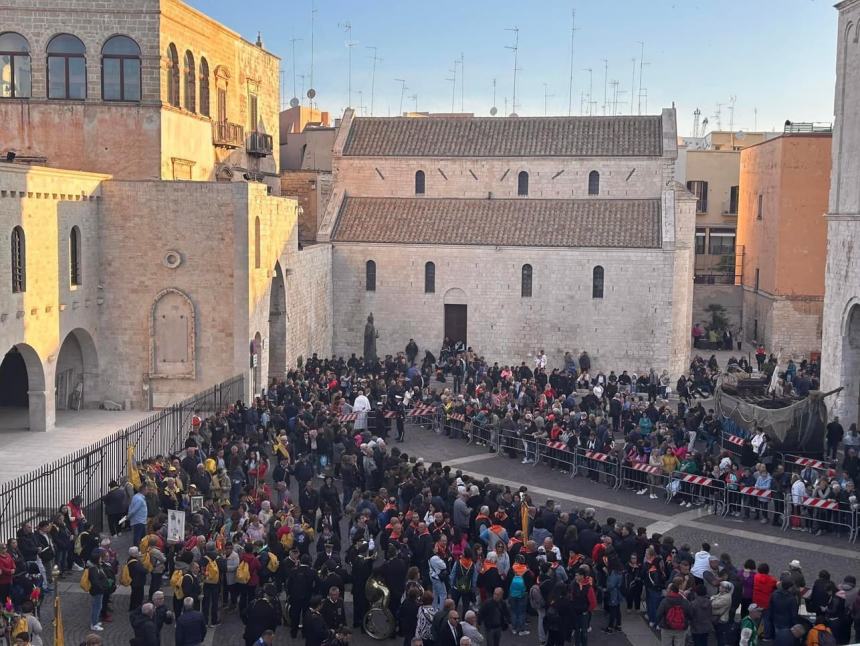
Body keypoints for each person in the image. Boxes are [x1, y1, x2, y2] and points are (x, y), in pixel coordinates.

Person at [656, 582, 692, 646]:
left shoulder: (665, 601)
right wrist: (686, 622)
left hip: (666, 626)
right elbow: (690, 613)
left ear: (671, 591)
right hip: (681, 627)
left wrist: (659, 623)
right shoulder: (684, 601)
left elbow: (659, 613)